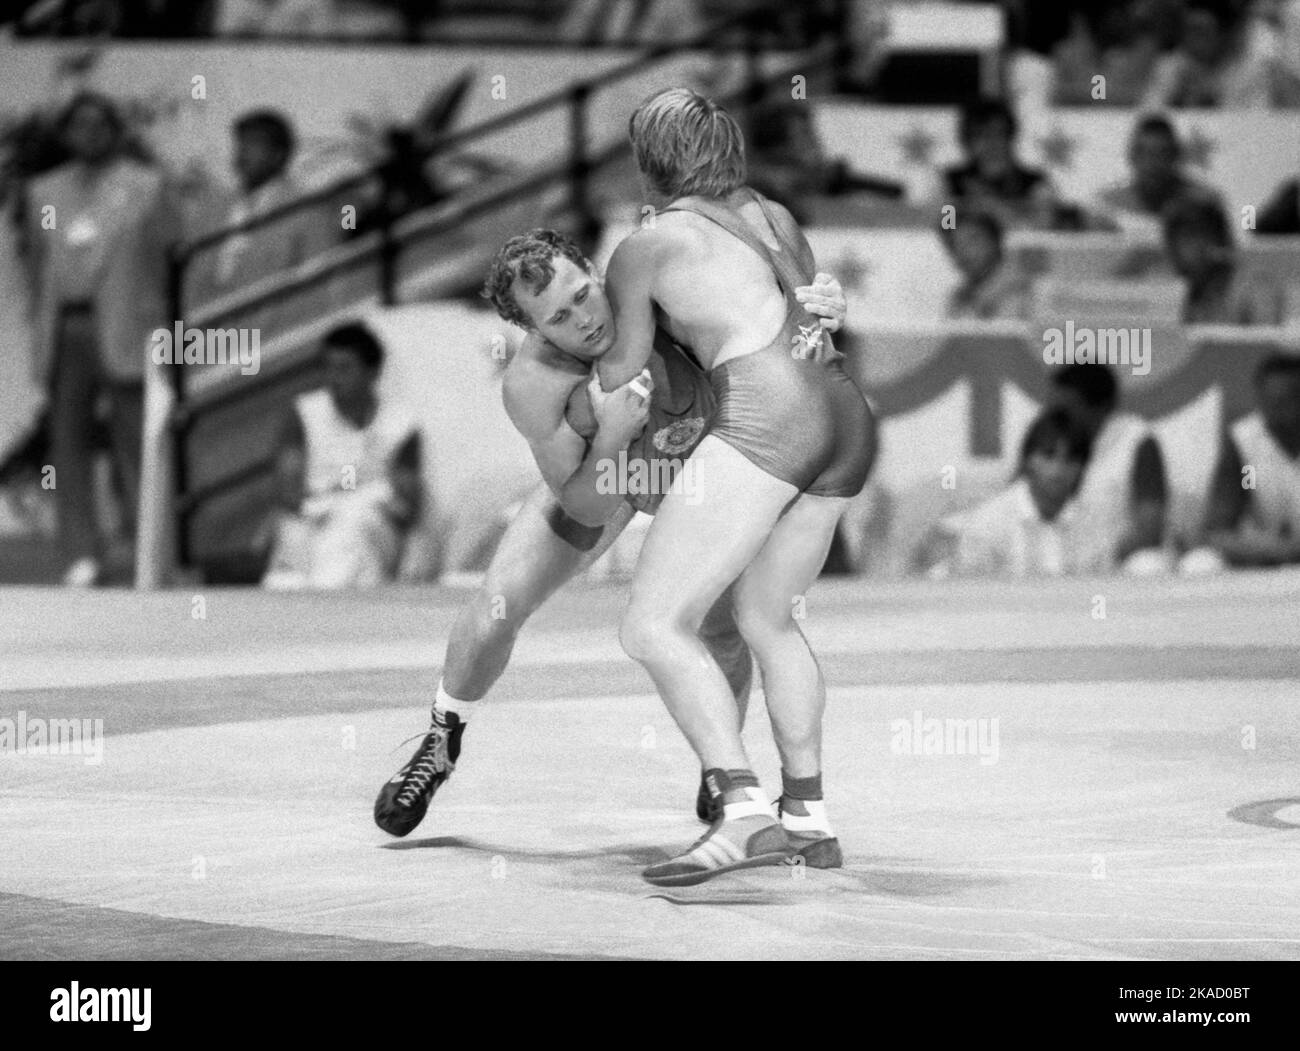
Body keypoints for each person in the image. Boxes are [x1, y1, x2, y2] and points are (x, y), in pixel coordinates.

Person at [372, 228, 849, 838]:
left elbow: (774, 312)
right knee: (498, 604)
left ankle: (722, 768)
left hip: (709, 466)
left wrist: (825, 307)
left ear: (596, 269)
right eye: (559, 318)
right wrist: (612, 436)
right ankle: (440, 740)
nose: (585, 320)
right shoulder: (534, 385)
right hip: (615, 471)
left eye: (583, 293)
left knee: (719, 624)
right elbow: (586, 506)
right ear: (533, 330)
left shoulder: (661, 291)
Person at [594, 87, 875, 886]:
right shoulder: (776, 216)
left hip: (768, 412)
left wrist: (555, 355)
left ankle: (742, 804)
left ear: (651, 161)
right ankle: (809, 818)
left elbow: (621, 372)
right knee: (764, 617)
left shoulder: (647, 243)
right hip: (843, 410)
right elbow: (814, 314)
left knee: (652, 624)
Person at [22, 91, 176, 587]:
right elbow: (37, 264)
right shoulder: (44, 191)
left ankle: (144, 548)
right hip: (67, 326)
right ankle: (80, 554)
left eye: (99, 124)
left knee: (137, 442)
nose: (88, 134)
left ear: (115, 129)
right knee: (67, 445)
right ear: (65, 134)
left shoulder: (146, 186)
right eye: (78, 125)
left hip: (128, 326)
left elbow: (173, 253)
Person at [262, 323, 422, 589]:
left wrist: (363, 503)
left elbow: (406, 505)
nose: (333, 378)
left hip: (372, 526)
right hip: (312, 520)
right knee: (289, 563)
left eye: (344, 368)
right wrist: (326, 508)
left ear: (373, 372)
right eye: (328, 368)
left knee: (354, 525)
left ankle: (328, 598)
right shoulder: (304, 414)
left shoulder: (401, 425)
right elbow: (288, 490)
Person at [925, 408, 1092, 578]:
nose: (1058, 470)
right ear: (1028, 459)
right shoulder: (990, 523)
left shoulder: (1091, 523)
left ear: (1082, 467)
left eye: (1071, 459)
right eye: (1048, 456)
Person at [1050, 363, 1169, 573]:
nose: (1057, 417)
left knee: (1148, 565)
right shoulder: (1052, 440)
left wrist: (1097, 560)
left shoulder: (1138, 441)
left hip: (1120, 564)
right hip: (1061, 558)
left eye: (1066, 410)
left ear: (1100, 407)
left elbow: (1150, 531)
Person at [1199, 353, 1300, 566]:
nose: (1276, 409)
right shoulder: (1245, 447)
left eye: (1286, 400)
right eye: (1270, 399)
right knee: (1202, 563)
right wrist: (1272, 549)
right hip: (1266, 555)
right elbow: (1219, 529)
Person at [1091, 114, 1225, 234]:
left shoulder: (1204, 203)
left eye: (1162, 154)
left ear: (1175, 156)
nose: (1152, 164)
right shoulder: (1108, 208)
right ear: (1132, 157)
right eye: (1145, 154)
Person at [1163, 198, 1287, 324]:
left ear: (1215, 240)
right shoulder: (1195, 292)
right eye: (1170, 241)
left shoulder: (1256, 286)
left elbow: (1264, 339)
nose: (1172, 251)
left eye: (1187, 239)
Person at [940, 208, 1030, 320]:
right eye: (955, 244)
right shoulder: (958, 299)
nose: (963, 251)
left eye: (972, 241)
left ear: (995, 241)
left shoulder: (1026, 291)